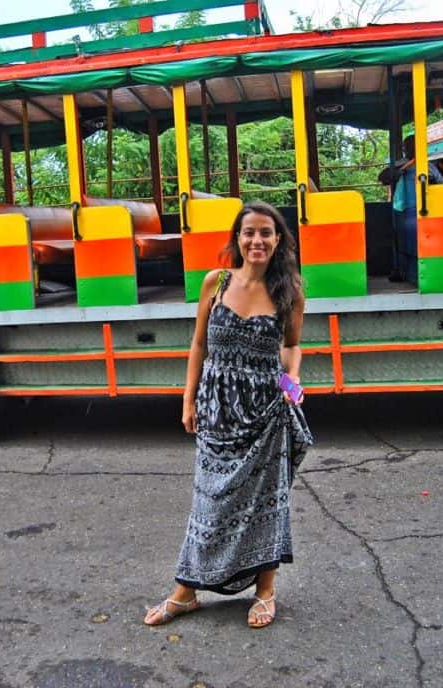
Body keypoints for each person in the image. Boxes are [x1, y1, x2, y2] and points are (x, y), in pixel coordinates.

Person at [143, 200, 312, 630]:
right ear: (238, 238)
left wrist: (292, 381)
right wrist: (188, 399)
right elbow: (198, 344)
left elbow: (292, 346)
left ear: (278, 241)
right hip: (216, 409)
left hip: (264, 411)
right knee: (209, 501)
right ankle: (186, 593)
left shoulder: (289, 290)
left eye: (266, 233)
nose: (257, 240)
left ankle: (266, 591)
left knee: (266, 504)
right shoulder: (215, 283)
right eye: (249, 232)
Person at [378, 135, 443, 281]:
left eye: (411, 146)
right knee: (402, 244)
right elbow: (382, 177)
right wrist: (399, 171)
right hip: (403, 210)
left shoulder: (429, 166)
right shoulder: (400, 164)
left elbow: (442, 185)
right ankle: (402, 272)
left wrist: (432, 182)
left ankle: (423, 274)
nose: (408, 149)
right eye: (406, 146)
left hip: (425, 209)